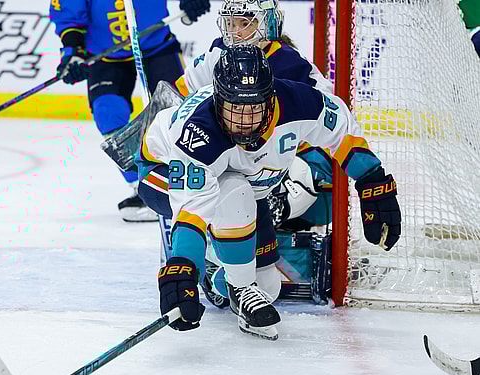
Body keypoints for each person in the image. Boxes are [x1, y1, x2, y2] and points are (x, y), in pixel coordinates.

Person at [138, 46, 401, 339]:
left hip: (246, 189)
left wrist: (372, 182)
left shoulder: (299, 103)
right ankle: (233, 278)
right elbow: (192, 210)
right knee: (233, 193)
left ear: (270, 98)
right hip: (159, 172)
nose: (244, 121)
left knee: (268, 287)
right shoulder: (198, 135)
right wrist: (184, 266)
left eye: (253, 109)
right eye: (234, 108)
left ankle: (218, 272)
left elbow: (340, 130)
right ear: (218, 99)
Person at [50, 0, 211, 222]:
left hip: (156, 44)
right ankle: (144, 188)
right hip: (105, 54)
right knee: (108, 113)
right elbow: (68, 14)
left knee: (180, 113)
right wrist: (73, 52)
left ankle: (187, 182)